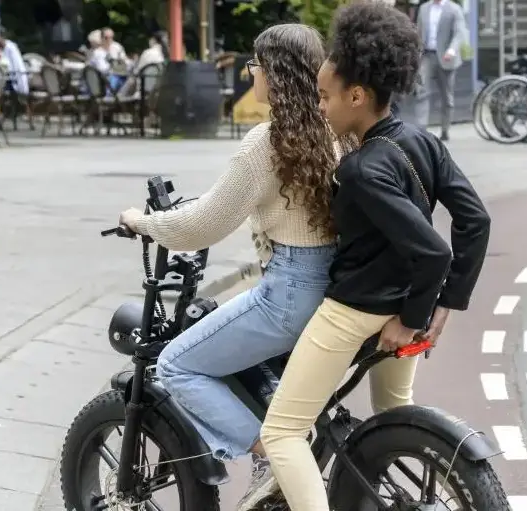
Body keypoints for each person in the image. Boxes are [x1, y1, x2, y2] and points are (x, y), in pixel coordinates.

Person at [248, 3, 492, 510]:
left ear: (356, 96)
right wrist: (445, 304)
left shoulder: (360, 169)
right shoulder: (423, 142)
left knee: (283, 434)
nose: (318, 108)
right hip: (402, 299)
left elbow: (432, 249)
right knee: (393, 417)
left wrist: (414, 318)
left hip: (355, 309)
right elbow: (476, 221)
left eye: (323, 97)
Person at [116, 23, 343, 511]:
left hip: (287, 292)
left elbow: (204, 224)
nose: (250, 74)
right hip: (333, 289)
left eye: (254, 66)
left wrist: (146, 222)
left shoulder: (266, 142)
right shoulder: (332, 131)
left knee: (177, 364)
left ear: (273, 76)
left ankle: (275, 459)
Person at [411, 0, 466, 140]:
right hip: (427, 56)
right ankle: (421, 130)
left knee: (447, 97)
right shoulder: (424, 8)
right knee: (421, 92)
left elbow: (459, 33)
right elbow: (418, 31)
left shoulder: (454, 9)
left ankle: (445, 129)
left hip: (447, 57)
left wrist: (452, 50)